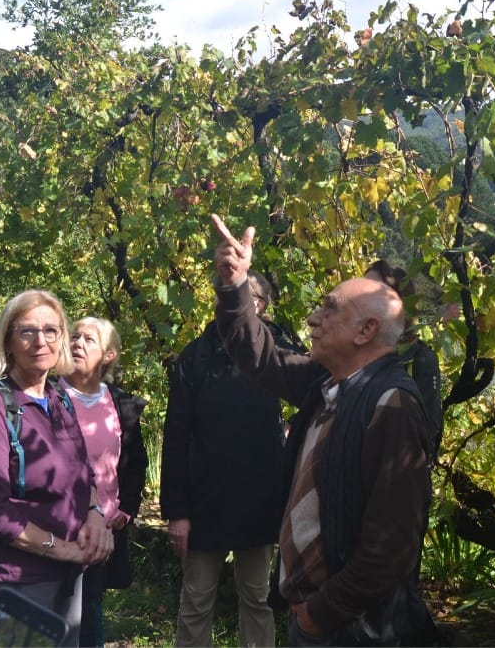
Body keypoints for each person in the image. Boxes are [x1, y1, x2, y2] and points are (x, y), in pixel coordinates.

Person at [210, 216, 433, 647]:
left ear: (366, 330)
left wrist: (321, 613)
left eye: (329, 308)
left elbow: (391, 546)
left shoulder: (391, 406)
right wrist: (236, 285)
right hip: (315, 618)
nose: (312, 318)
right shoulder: (326, 383)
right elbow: (259, 356)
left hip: (350, 629)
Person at [0, 289, 113, 646]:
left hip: (70, 572)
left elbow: (84, 472)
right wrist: (63, 548)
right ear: (7, 341)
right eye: (27, 331)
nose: (41, 340)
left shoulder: (59, 399)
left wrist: (95, 516)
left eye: (51, 330)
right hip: (17, 581)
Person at [162, 270, 293, 647]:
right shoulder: (196, 355)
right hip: (205, 503)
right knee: (197, 600)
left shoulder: (277, 349)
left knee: (257, 597)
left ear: (262, 307)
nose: (236, 302)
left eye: (248, 295)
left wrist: (291, 429)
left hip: (259, 499)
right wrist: (177, 511)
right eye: (229, 294)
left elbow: (323, 387)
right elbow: (176, 436)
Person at [63, 317, 148, 647]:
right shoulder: (48, 394)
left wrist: (125, 511)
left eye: (88, 339)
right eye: (74, 336)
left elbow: (134, 462)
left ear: (109, 355)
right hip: (54, 523)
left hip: (101, 531)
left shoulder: (120, 404)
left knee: (89, 609)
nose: (78, 343)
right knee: (50, 611)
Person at [363, 260, 443, 459]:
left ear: (400, 304)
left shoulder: (420, 360)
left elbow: (428, 435)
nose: (361, 300)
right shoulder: (355, 354)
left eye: (373, 293)